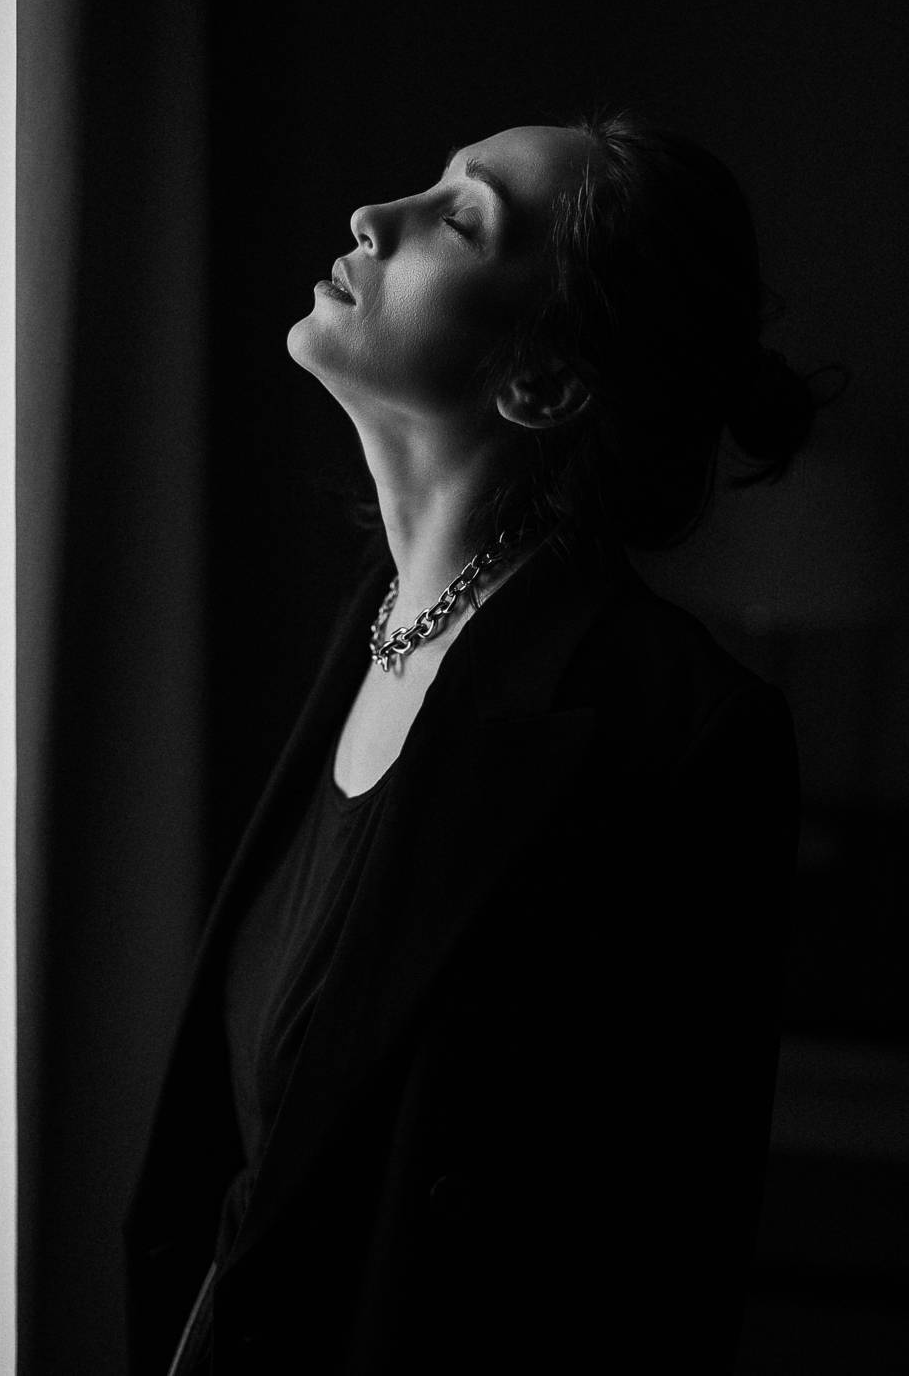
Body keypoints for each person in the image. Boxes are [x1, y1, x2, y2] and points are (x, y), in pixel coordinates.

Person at [124, 110, 811, 1374]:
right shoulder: (373, 629)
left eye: (459, 218)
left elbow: (662, 1272)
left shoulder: (681, 734)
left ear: (541, 383)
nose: (370, 218)